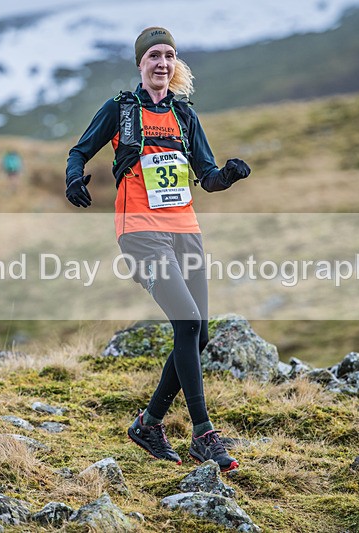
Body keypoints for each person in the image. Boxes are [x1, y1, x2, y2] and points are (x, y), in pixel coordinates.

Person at [65, 26, 251, 472]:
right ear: (140, 64)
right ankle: (203, 434)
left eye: (168, 55)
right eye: (154, 56)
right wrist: (73, 179)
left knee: (198, 334)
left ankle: (148, 425)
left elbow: (206, 176)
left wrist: (227, 175)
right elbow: (79, 151)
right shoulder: (121, 110)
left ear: (175, 63)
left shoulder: (185, 116)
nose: (162, 63)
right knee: (187, 321)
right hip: (140, 232)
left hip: (186, 231)